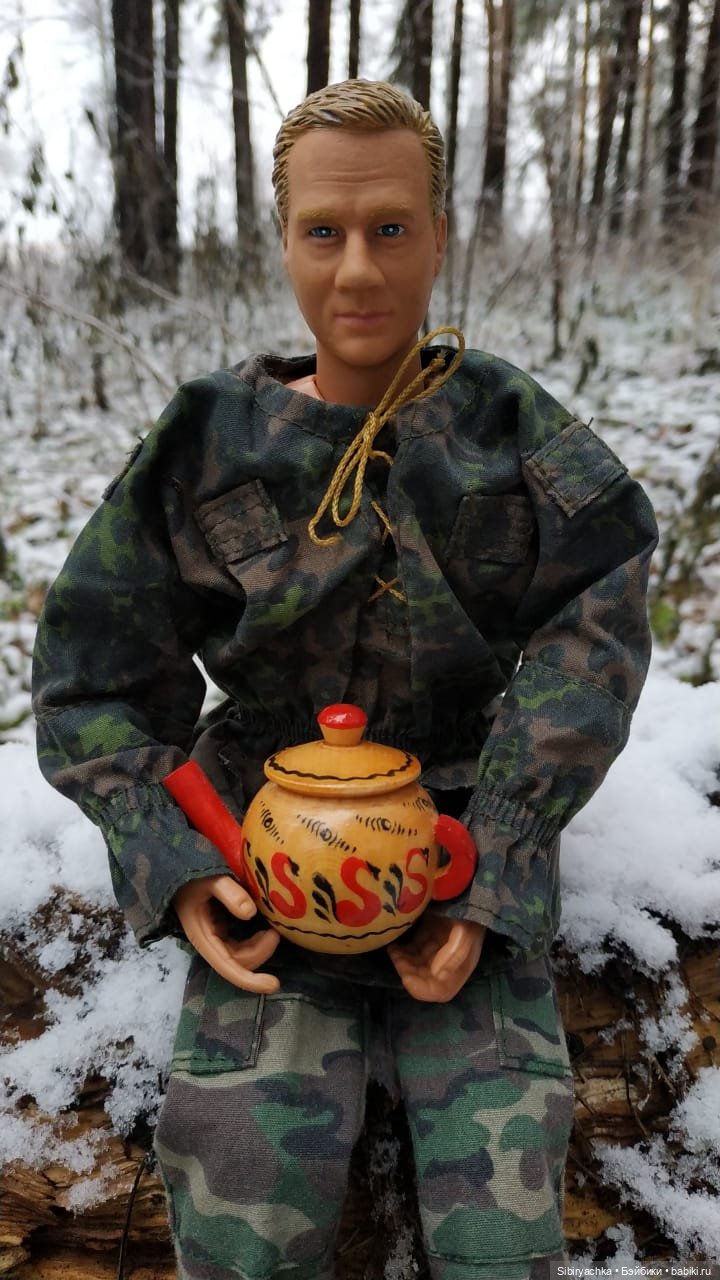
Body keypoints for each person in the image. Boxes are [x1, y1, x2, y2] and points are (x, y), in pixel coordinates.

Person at [32, 79, 658, 1280]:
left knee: (500, 1222)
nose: (358, 270)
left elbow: (601, 606)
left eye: (391, 228)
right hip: (268, 863)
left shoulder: (506, 425)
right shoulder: (210, 439)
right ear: (282, 239)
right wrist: (174, 857)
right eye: (323, 230)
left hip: (456, 848)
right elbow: (88, 671)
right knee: (243, 1203)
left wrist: (504, 854)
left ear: (439, 236)